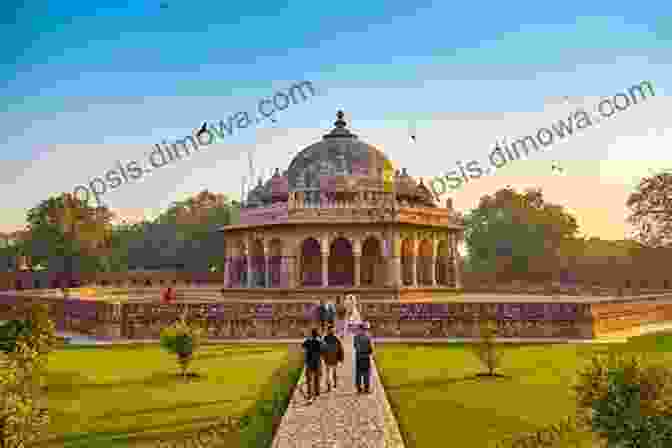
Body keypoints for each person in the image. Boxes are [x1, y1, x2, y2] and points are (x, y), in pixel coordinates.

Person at [302, 328, 324, 403]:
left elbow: (303, 346)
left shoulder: (308, 341)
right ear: (317, 334)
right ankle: (317, 392)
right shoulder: (319, 341)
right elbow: (324, 349)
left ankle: (310, 394)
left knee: (309, 380)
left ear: (311, 334)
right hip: (317, 362)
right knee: (317, 378)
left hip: (309, 362)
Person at [353, 322, 374, 394]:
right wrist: (369, 352)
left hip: (358, 356)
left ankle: (359, 388)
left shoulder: (356, 336)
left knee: (358, 373)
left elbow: (355, 346)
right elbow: (371, 348)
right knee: (366, 373)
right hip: (366, 357)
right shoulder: (368, 337)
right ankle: (366, 388)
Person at [322, 324, 344, 392]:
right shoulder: (335, 338)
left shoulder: (326, 338)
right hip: (332, 358)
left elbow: (340, 348)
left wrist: (322, 355)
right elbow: (340, 349)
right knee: (332, 372)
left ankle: (331, 385)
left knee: (330, 372)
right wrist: (341, 358)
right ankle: (333, 385)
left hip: (330, 358)